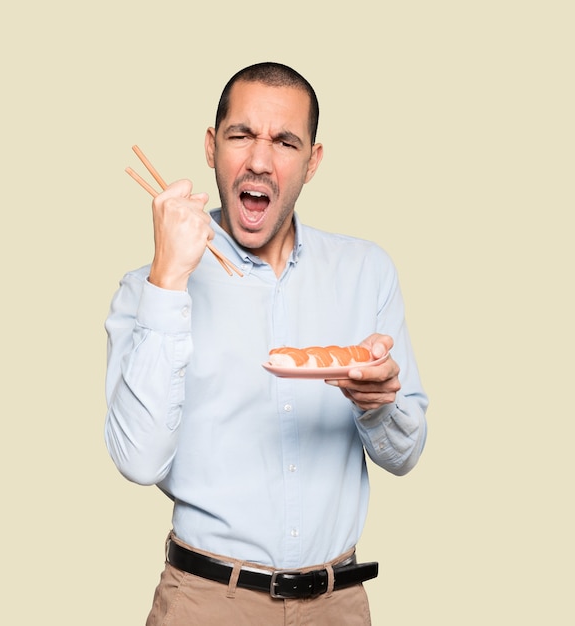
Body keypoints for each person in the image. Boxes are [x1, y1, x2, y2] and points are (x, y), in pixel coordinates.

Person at [104, 61, 428, 626]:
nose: (259, 160)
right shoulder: (147, 288)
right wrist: (169, 279)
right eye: (240, 136)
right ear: (211, 147)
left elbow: (404, 455)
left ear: (313, 161)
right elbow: (138, 459)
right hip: (204, 601)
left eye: (285, 141)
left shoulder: (366, 271)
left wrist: (377, 404)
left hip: (338, 603)